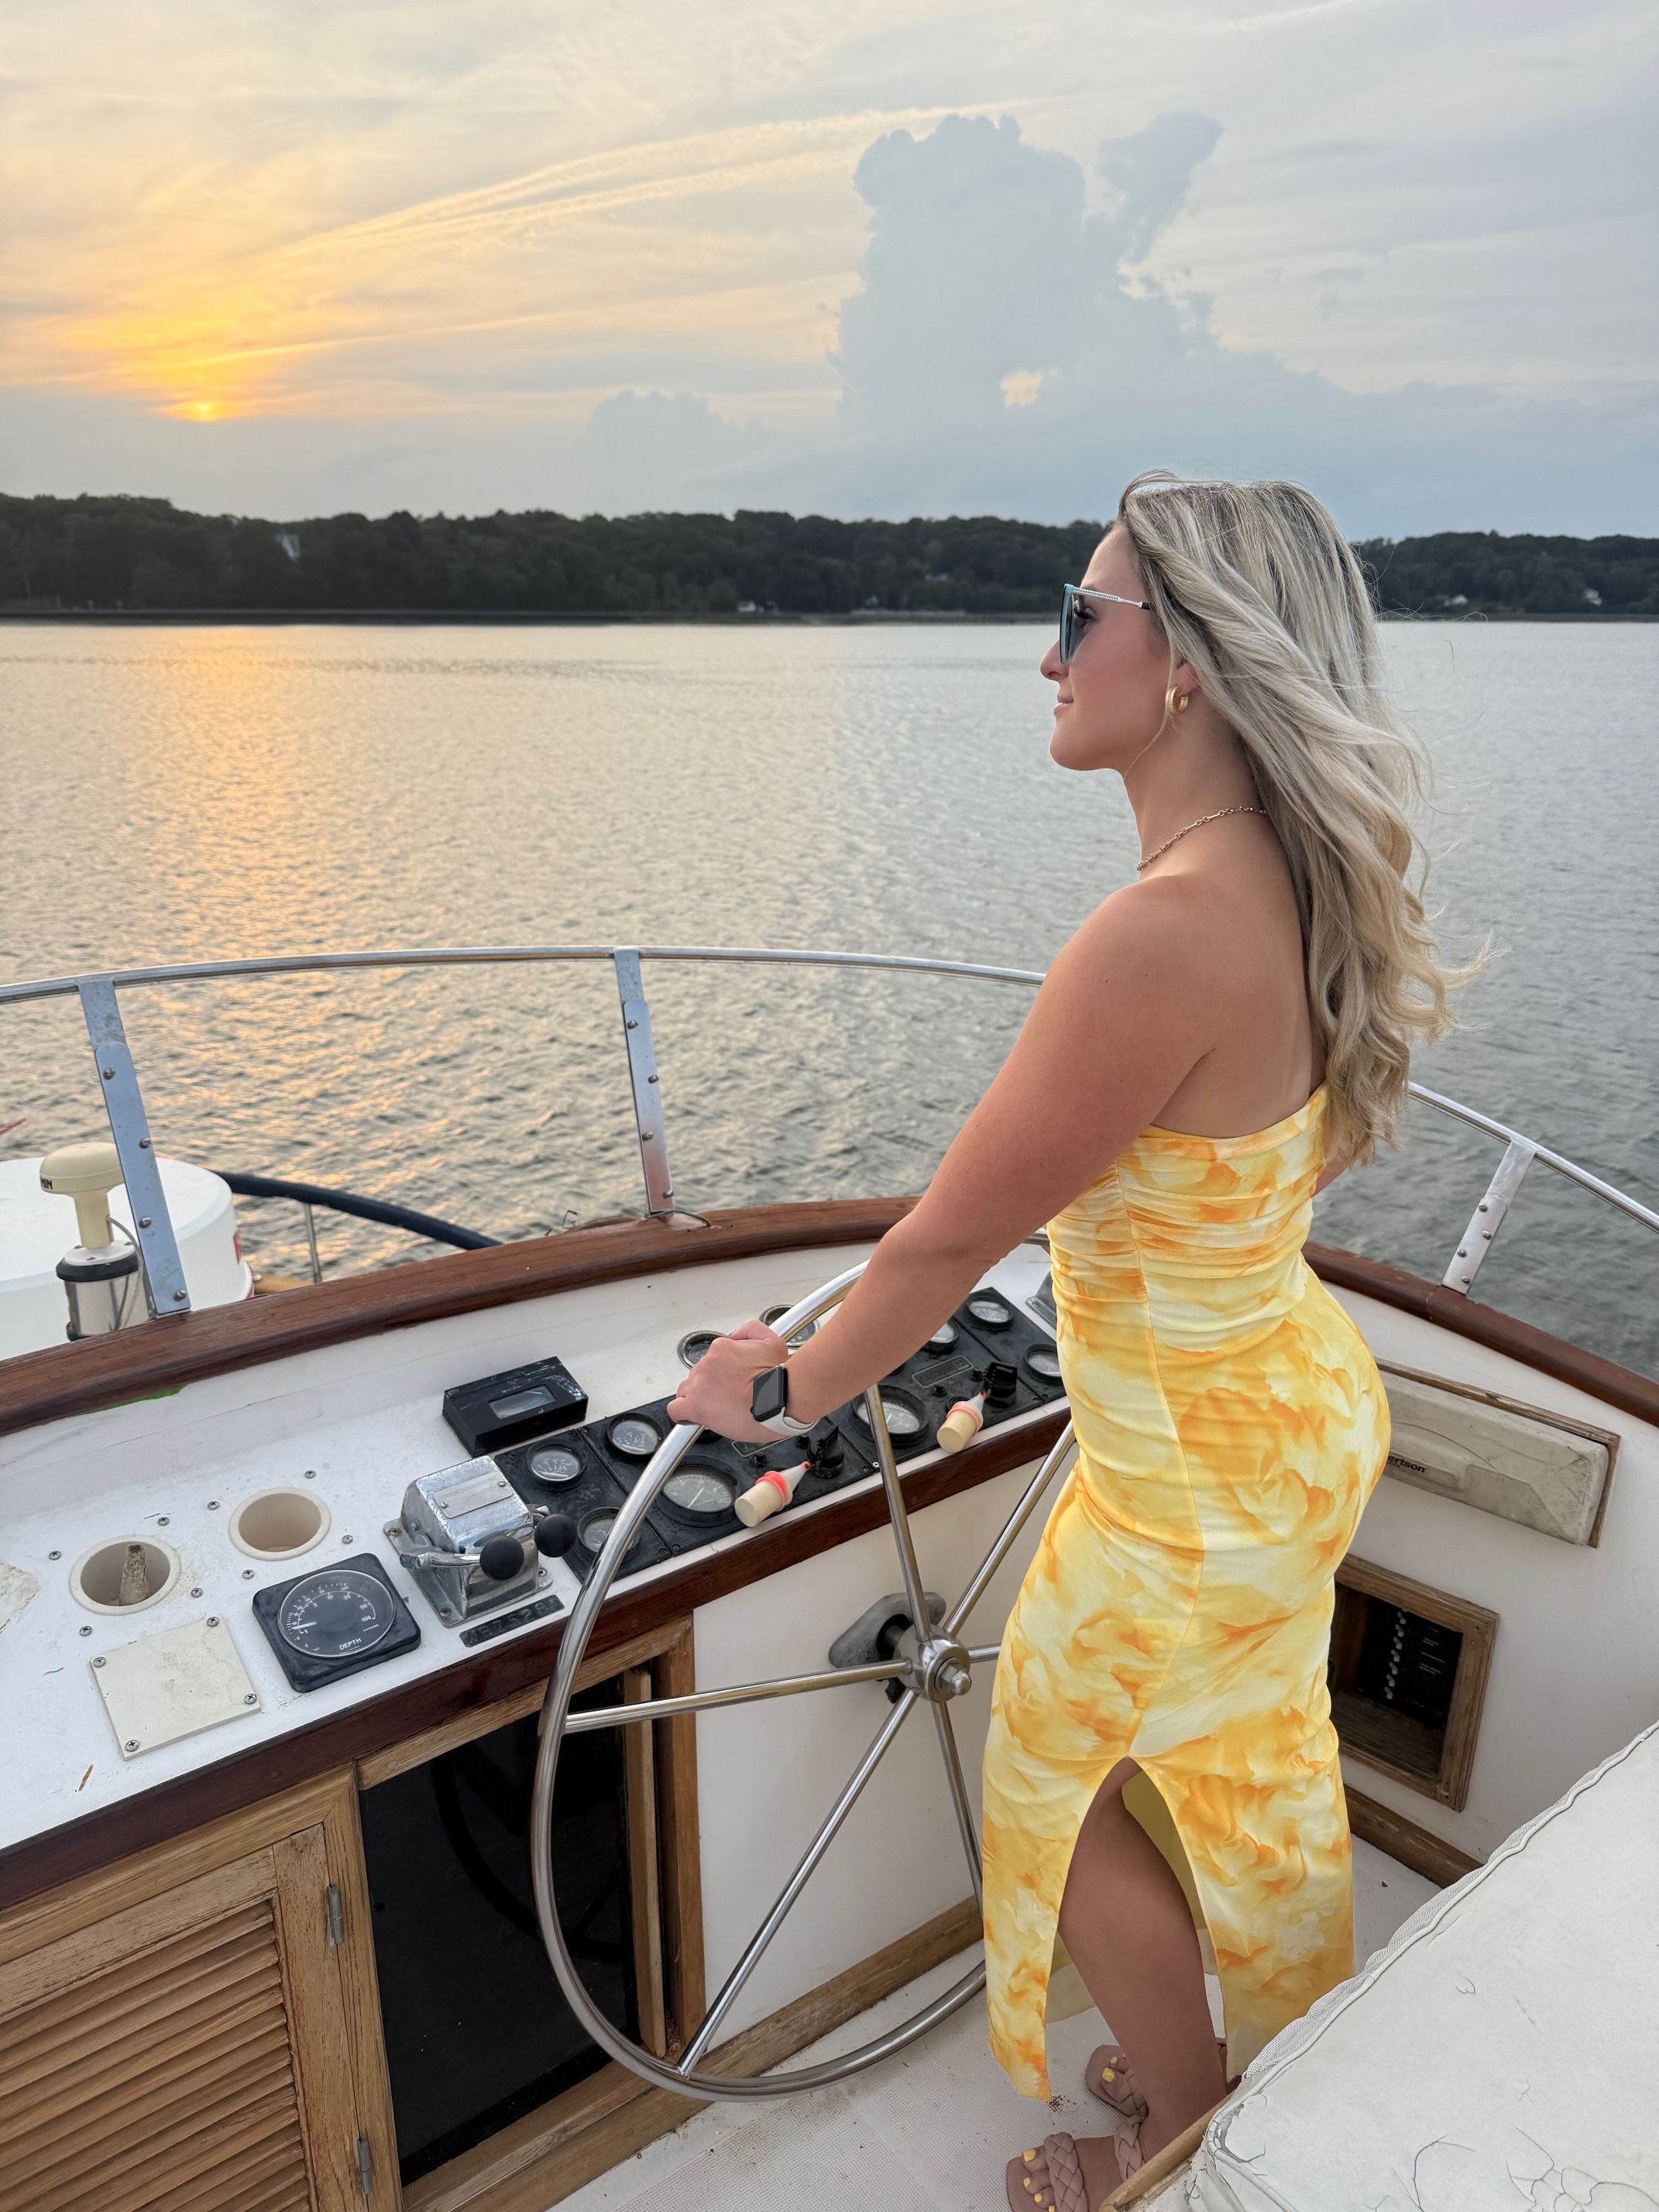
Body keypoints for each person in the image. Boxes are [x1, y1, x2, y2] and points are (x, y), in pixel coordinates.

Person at [668, 469, 1492, 2207]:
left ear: (1185, 659)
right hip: (1279, 1413)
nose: (1046, 659)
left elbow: (948, 1242)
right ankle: (1235, 2050)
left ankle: (1180, 2123)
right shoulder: (1290, 877)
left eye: (1076, 617)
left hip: (1186, 1474)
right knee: (1241, 1756)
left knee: (1078, 1781)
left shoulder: (1160, 932)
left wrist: (773, 1390)